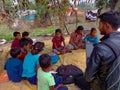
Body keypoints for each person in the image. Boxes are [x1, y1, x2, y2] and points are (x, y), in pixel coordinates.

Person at [85, 11, 120, 90]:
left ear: (106, 25)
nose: (98, 27)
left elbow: (88, 77)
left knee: (80, 79)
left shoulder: (101, 47)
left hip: (105, 85)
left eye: (100, 24)